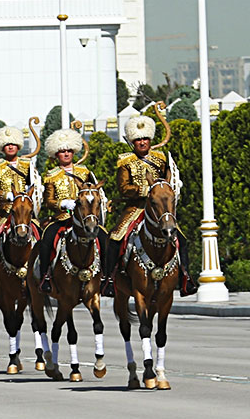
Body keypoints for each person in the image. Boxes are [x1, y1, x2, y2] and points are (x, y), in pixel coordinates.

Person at [104, 115, 196, 297]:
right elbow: (123, 188)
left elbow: (166, 181)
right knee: (115, 238)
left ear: (150, 140)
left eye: (145, 139)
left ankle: (186, 278)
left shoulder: (160, 158)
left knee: (181, 239)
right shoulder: (125, 161)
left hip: (158, 209)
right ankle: (109, 279)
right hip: (135, 207)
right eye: (138, 140)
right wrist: (146, 190)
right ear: (132, 141)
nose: (142, 142)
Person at [36, 128, 95, 294]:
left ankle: (106, 277)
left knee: (103, 237)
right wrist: (63, 203)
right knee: (47, 239)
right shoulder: (51, 175)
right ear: (56, 154)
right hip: (61, 218)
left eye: (69, 150)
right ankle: (45, 277)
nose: (66, 154)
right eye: (62, 151)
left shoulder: (84, 172)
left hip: (84, 219)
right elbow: (48, 201)